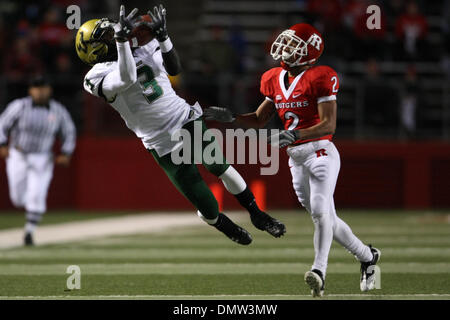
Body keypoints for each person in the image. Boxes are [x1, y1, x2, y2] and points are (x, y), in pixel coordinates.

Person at [75, 5, 286, 246]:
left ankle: (257, 214)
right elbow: (127, 77)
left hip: (183, 117)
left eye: (113, 33)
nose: (114, 35)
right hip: (158, 140)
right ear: (94, 51)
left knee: (218, 165)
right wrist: (123, 42)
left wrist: (164, 38)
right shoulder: (94, 76)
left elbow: (175, 68)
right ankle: (220, 223)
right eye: (107, 37)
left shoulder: (136, 44)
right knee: (206, 203)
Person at [204, 23, 381, 297]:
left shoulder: (321, 76)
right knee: (326, 219)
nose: (284, 49)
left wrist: (294, 133)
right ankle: (367, 257)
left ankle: (319, 272)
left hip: (320, 151)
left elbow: (328, 125)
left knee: (322, 211)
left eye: (292, 45)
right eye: (285, 43)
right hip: (295, 159)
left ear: (308, 52)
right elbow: (261, 118)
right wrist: (232, 117)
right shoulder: (274, 77)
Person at [0, 75, 76, 246]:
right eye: (36, 88)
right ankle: (32, 207)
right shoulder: (19, 106)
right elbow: (2, 124)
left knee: (37, 194)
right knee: (17, 198)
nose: (40, 92)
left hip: (42, 157)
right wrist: (2, 143)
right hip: (18, 155)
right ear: (30, 90)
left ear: (49, 90)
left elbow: (69, 131)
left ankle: (29, 231)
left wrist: (66, 152)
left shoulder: (57, 110)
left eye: (43, 88)